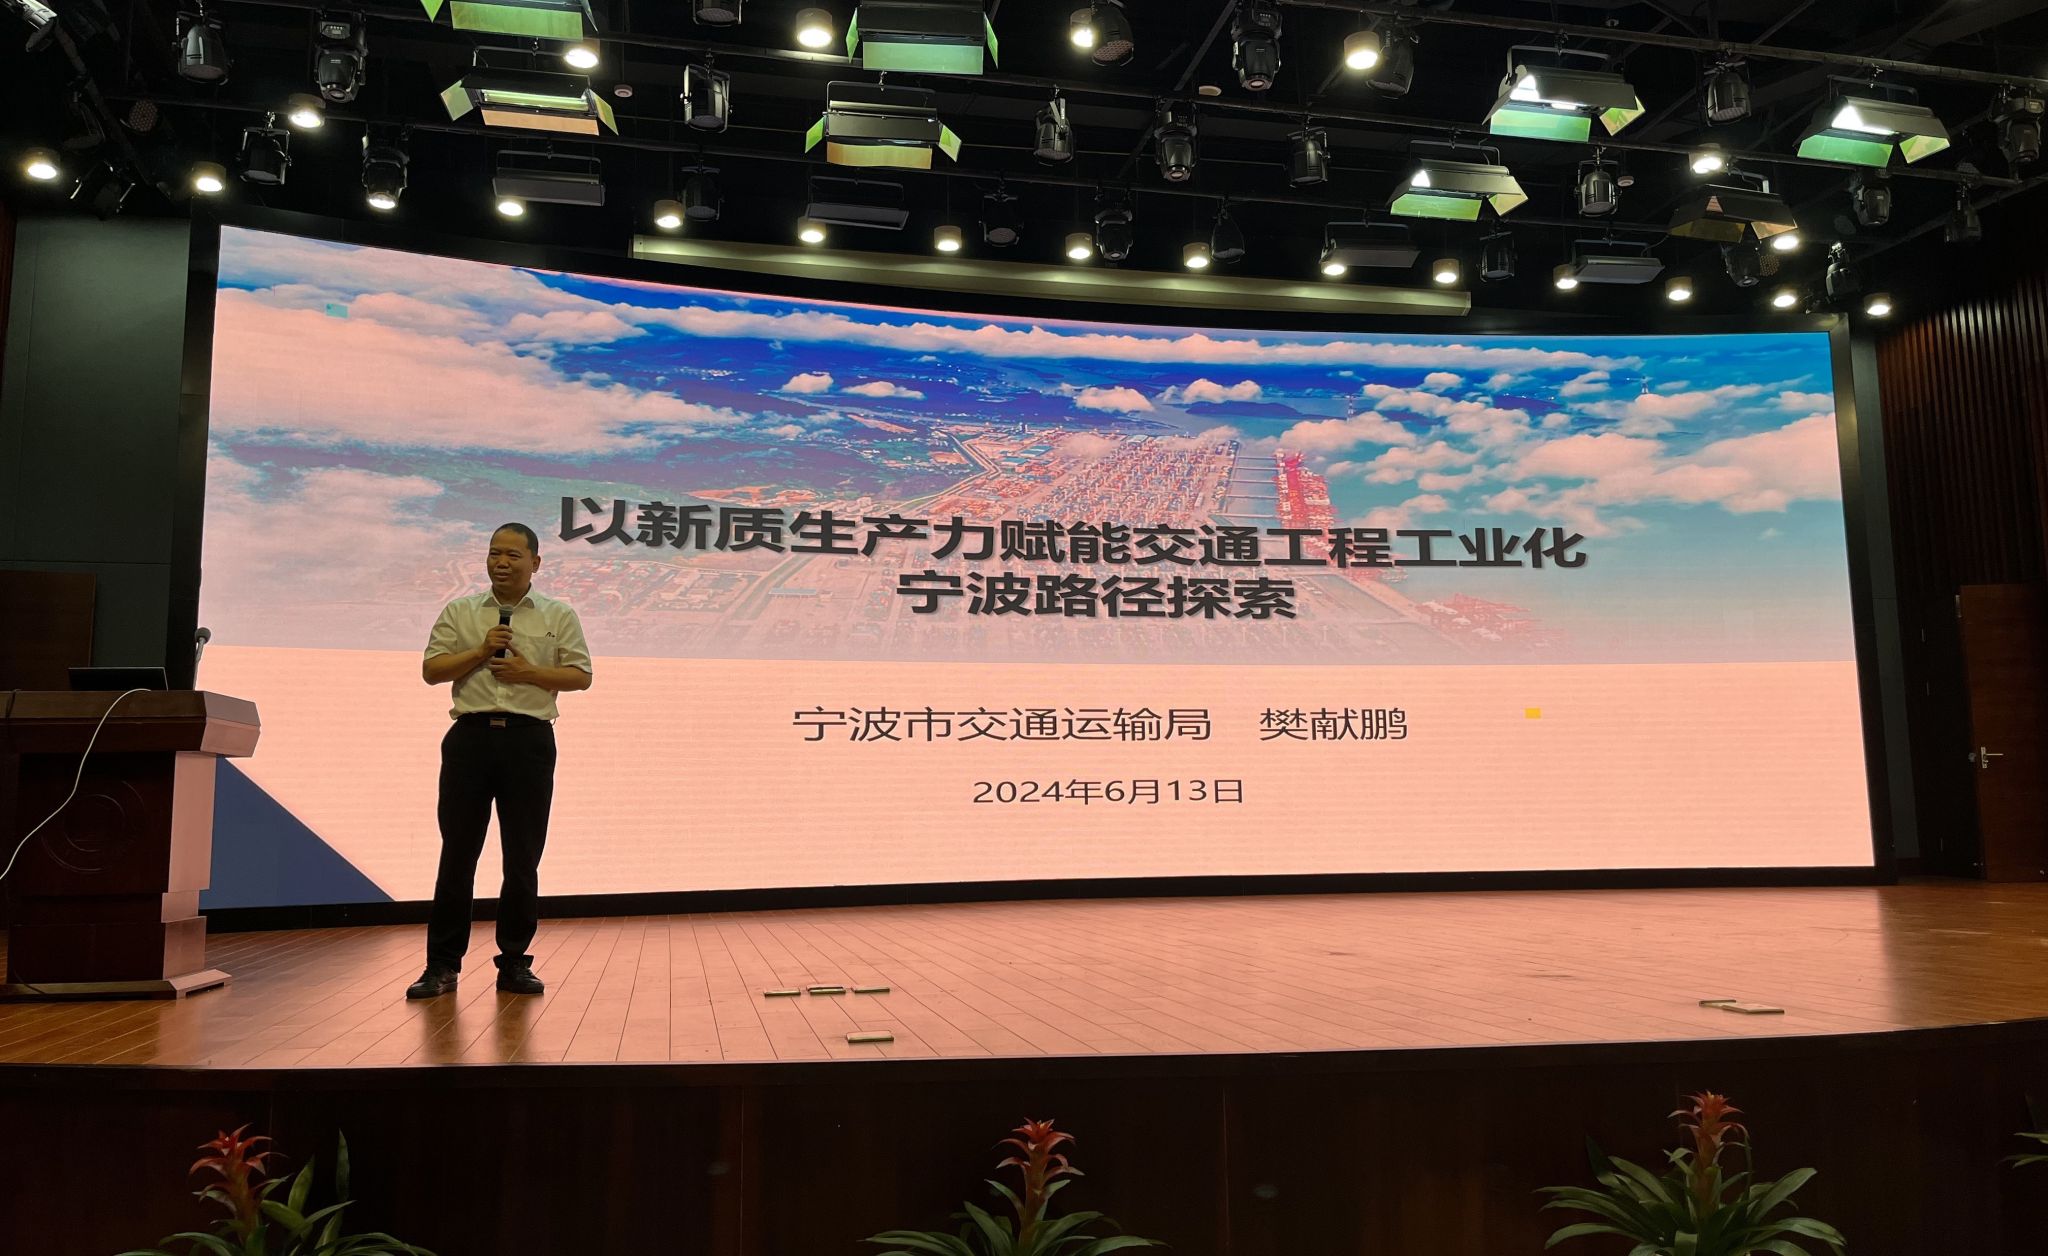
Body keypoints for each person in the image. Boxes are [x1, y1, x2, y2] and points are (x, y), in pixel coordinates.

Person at [406, 522, 592, 1000]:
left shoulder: (558, 613)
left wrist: (529, 672)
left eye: (512, 554)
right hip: (469, 740)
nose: (501, 562)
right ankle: (442, 966)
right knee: (457, 855)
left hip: (529, 741)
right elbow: (432, 670)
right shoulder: (461, 611)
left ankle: (514, 963)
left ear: (535, 562)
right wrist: (480, 650)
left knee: (522, 857)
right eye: (494, 553)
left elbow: (580, 675)